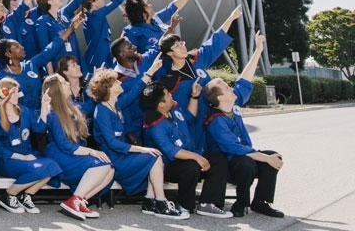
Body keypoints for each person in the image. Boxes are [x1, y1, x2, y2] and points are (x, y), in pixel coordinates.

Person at [88, 69, 187, 219]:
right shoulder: (101, 111)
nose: (120, 82)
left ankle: (149, 200)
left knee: (155, 155)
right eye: (116, 81)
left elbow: (135, 91)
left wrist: (150, 71)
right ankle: (160, 202)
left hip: (122, 154)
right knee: (153, 157)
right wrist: (141, 149)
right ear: (108, 88)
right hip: (113, 159)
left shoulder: (115, 106)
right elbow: (112, 143)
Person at [204, 32, 284, 218]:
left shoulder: (234, 105)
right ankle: (241, 203)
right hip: (229, 164)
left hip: (243, 155)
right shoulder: (215, 120)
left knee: (273, 156)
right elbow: (234, 149)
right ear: (220, 97)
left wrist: (258, 50)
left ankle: (261, 202)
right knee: (248, 162)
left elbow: (244, 78)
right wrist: (263, 158)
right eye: (224, 85)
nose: (230, 86)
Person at [155, 7, 241, 154]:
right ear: (169, 53)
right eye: (177, 46)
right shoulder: (168, 80)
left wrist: (231, 17)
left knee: (222, 152)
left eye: (182, 43)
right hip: (192, 127)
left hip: (214, 118)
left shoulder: (196, 59)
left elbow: (215, 41)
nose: (182, 47)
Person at [140, 81, 231, 218]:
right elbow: (172, 151)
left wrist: (194, 97)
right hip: (166, 166)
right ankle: (183, 205)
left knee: (217, 158)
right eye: (167, 94)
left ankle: (207, 203)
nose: (171, 95)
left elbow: (189, 117)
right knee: (191, 166)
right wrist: (197, 157)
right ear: (161, 105)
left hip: (188, 155)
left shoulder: (173, 108)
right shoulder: (155, 125)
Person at [41, 73, 114, 221]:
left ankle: (79, 200)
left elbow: (93, 101)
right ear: (57, 89)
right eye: (64, 82)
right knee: (103, 165)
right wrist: (92, 152)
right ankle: (74, 201)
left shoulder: (73, 107)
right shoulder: (52, 112)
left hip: (71, 153)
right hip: (59, 154)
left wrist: (97, 81)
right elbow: (64, 145)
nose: (68, 83)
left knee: (110, 170)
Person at [0, 77, 61, 214]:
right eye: (15, 92)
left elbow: (40, 129)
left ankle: (27, 195)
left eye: (18, 91)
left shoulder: (24, 111)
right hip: (8, 160)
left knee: (53, 166)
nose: (19, 95)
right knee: (42, 169)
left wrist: (44, 106)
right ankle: (8, 195)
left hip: (27, 156)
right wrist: (21, 158)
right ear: (5, 93)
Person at [80, 0, 146, 70]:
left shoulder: (90, 15)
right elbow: (117, 0)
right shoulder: (96, 15)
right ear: (93, 3)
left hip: (101, 54)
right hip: (98, 58)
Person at [121, 0, 198, 53]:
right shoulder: (130, 32)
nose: (150, 5)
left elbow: (172, 8)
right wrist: (171, 28)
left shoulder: (155, 20)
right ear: (143, 13)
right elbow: (125, 56)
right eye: (147, 5)